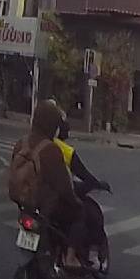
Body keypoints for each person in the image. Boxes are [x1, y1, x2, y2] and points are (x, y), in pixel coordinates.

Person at [9, 100, 84, 269]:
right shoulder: (50, 149)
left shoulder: (21, 143)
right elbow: (63, 186)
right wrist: (75, 201)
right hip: (46, 206)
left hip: (25, 204)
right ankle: (70, 257)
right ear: (52, 125)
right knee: (80, 213)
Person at [51, 111, 111, 269]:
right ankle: (73, 257)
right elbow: (83, 176)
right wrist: (97, 184)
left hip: (31, 201)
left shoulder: (30, 143)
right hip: (56, 201)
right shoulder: (63, 150)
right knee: (87, 213)